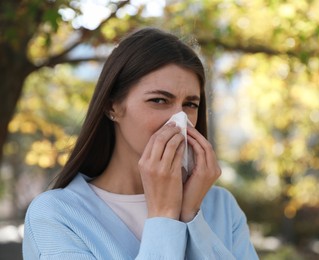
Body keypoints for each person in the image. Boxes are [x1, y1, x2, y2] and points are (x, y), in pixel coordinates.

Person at [23, 27, 259, 259]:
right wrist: (164, 217)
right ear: (112, 106)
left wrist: (191, 215)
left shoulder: (222, 206)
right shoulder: (56, 215)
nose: (179, 121)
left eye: (190, 105)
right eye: (159, 100)